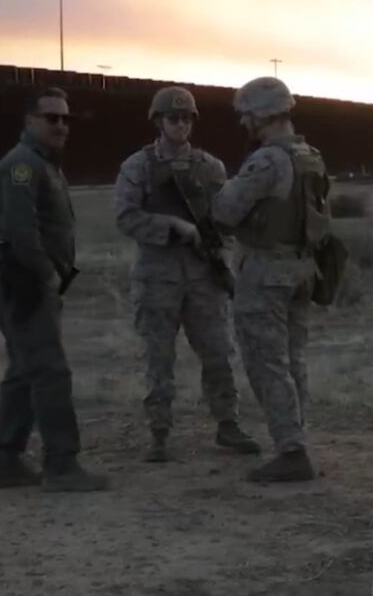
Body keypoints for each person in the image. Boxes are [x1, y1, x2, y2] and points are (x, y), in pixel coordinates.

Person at [114, 86, 260, 462]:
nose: (180, 125)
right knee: (158, 357)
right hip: (157, 276)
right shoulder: (138, 167)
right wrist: (173, 227)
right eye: (173, 118)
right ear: (158, 122)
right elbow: (126, 217)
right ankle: (159, 431)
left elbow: (224, 217)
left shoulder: (210, 167)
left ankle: (227, 423)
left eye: (186, 119)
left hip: (203, 275)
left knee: (218, 352)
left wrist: (222, 249)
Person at [213, 77, 331, 483]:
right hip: (301, 269)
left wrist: (225, 187)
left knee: (267, 363)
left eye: (246, 115)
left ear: (261, 114)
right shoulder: (310, 156)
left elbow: (225, 211)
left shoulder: (266, 161)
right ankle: (295, 436)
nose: (243, 122)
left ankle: (291, 450)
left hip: (266, 272)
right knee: (293, 360)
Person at [0, 87, 108, 491]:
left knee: (25, 371)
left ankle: (4, 461)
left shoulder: (45, 163)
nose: (61, 125)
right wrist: (46, 275)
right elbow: (20, 230)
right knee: (50, 371)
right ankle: (61, 465)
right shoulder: (22, 165)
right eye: (51, 118)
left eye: (65, 119)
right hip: (25, 283)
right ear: (29, 120)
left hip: (31, 283)